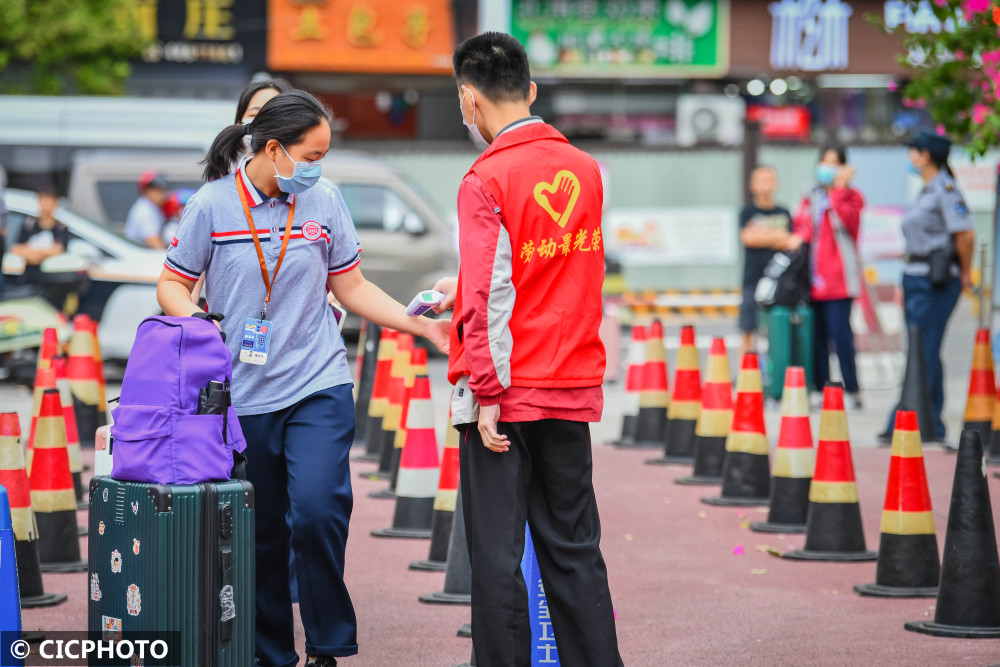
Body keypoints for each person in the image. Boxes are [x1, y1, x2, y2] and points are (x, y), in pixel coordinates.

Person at [156, 89, 449, 667]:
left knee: (316, 510)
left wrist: (420, 328)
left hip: (318, 383)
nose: (318, 168)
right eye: (311, 156)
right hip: (244, 398)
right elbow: (171, 283)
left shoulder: (325, 201)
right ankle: (271, 653)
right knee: (262, 533)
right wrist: (197, 322)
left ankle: (328, 644)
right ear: (274, 149)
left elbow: (352, 286)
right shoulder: (212, 206)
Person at [445, 32, 622, 666]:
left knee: (495, 559)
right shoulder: (585, 169)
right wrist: (458, 288)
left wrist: (487, 394)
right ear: (532, 91)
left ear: (469, 100)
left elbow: (494, 293)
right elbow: (545, 276)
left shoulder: (485, 178)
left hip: (508, 394)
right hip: (571, 384)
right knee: (574, 548)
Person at [878, 131, 974, 445]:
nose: (910, 157)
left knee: (925, 350)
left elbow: (965, 235)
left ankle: (909, 419)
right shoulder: (927, 191)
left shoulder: (945, 189)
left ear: (926, 155)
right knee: (924, 350)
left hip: (936, 281)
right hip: (917, 277)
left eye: (913, 151)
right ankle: (930, 420)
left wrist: (965, 273)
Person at [793, 146, 865, 409]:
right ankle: (821, 389)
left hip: (839, 281)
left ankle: (852, 390)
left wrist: (839, 191)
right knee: (816, 339)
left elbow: (849, 222)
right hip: (812, 281)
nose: (827, 167)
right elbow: (801, 227)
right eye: (823, 161)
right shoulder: (808, 194)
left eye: (834, 163)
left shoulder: (852, 196)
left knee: (841, 336)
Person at [738, 165, 796, 356]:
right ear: (751, 185)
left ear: (776, 183)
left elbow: (790, 241)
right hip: (753, 281)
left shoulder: (784, 212)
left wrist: (762, 235)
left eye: (769, 180)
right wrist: (776, 236)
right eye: (760, 180)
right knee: (747, 330)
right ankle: (746, 376)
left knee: (777, 330)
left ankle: (774, 374)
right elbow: (748, 238)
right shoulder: (747, 213)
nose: (765, 185)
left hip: (781, 283)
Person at [11, 184, 71, 284]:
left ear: (55, 202)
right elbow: (16, 248)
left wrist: (31, 251)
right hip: (29, 278)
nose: (46, 205)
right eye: (43, 200)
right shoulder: (29, 224)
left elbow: (59, 250)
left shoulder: (61, 228)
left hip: (53, 280)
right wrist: (43, 253)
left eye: (49, 200)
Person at [124, 170, 168, 249]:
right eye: (156, 190)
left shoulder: (151, 206)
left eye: (162, 190)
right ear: (146, 191)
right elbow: (156, 245)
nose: (161, 194)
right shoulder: (145, 211)